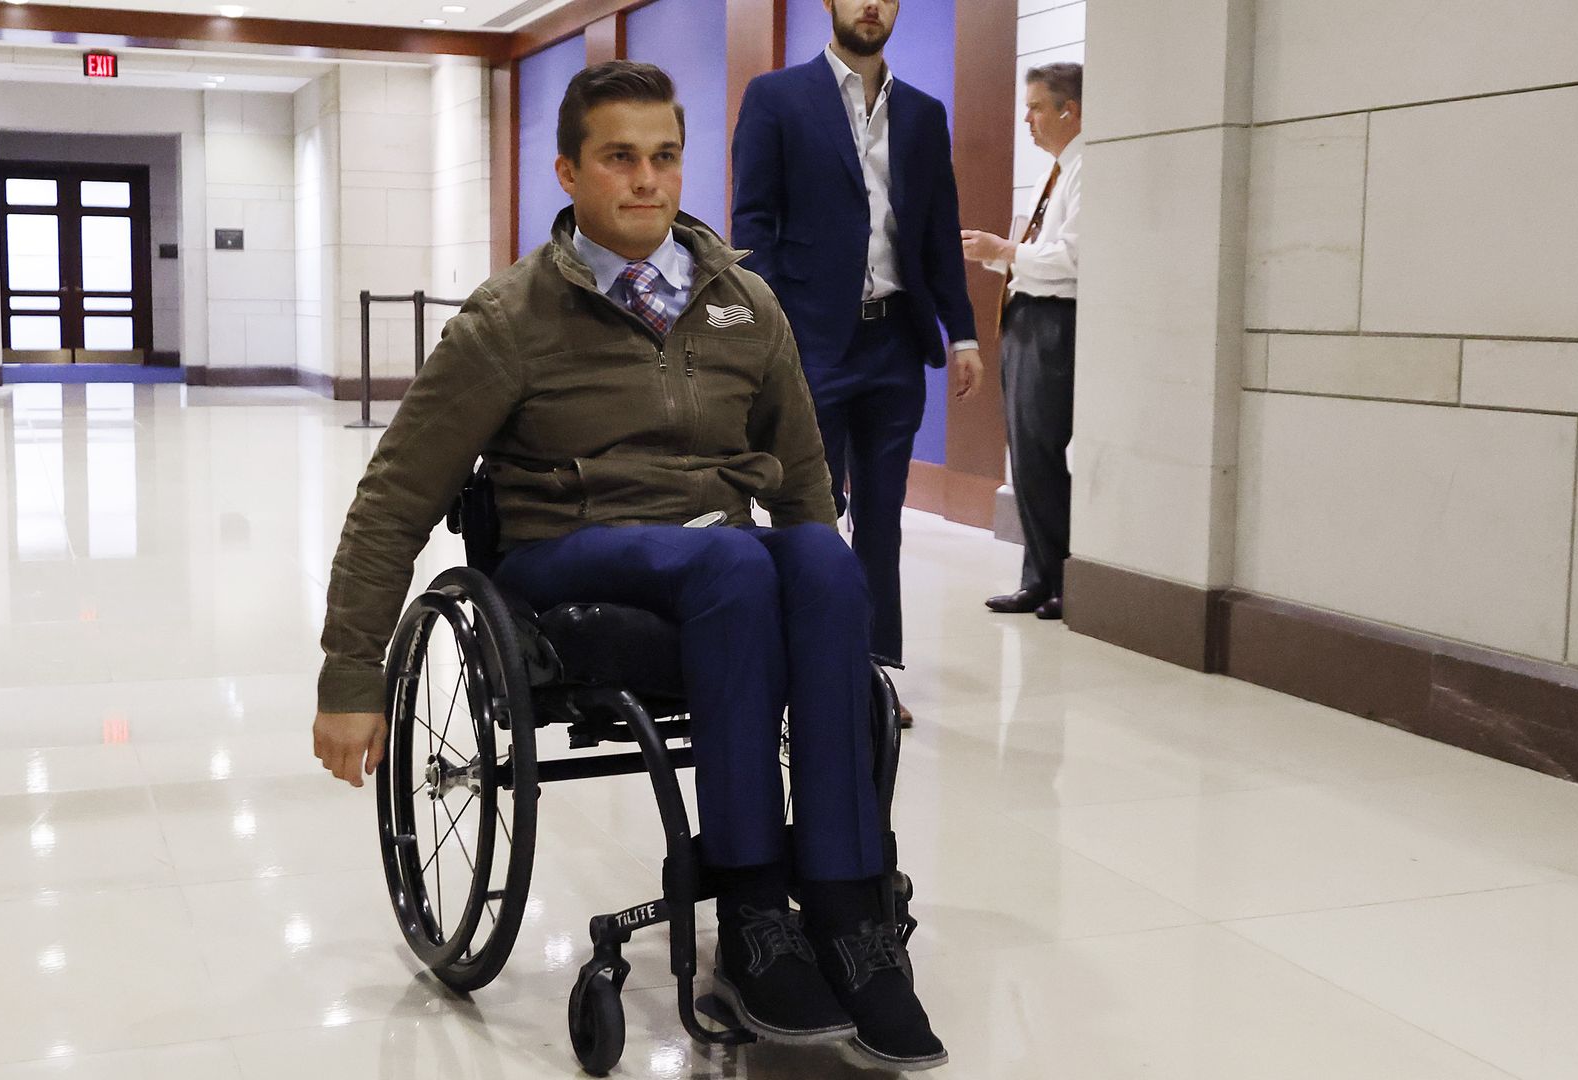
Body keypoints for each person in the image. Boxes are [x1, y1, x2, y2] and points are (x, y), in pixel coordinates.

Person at [309, 61, 945, 1072]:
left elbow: (806, 482)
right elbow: (395, 498)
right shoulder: (509, 320)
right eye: (619, 159)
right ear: (569, 170)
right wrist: (352, 675)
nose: (646, 181)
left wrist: (840, 652)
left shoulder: (744, 302)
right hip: (571, 555)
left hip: (717, 550)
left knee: (820, 563)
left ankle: (844, 905)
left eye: (663, 158)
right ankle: (750, 913)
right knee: (736, 569)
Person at [731, 0, 982, 726]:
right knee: (809, 512)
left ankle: (868, 671)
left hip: (894, 345)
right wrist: (769, 334)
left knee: (882, 519)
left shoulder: (926, 115)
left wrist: (961, 333)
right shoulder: (778, 97)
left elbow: (936, 231)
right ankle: (800, 662)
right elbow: (753, 223)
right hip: (809, 341)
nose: (872, 4)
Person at [962, 62, 1083, 621]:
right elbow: (1037, 255)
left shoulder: (1087, 168)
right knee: (1026, 457)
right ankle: (1037, 575)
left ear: (1069, 110)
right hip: (1026, 317)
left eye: (1036, 107)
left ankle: (1062, 578)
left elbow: (1075, 260)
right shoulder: (1052, 173)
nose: (1028, 119)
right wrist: (995, 255)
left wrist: (1006, 252)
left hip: (1057, 324)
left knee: (1043, 452)